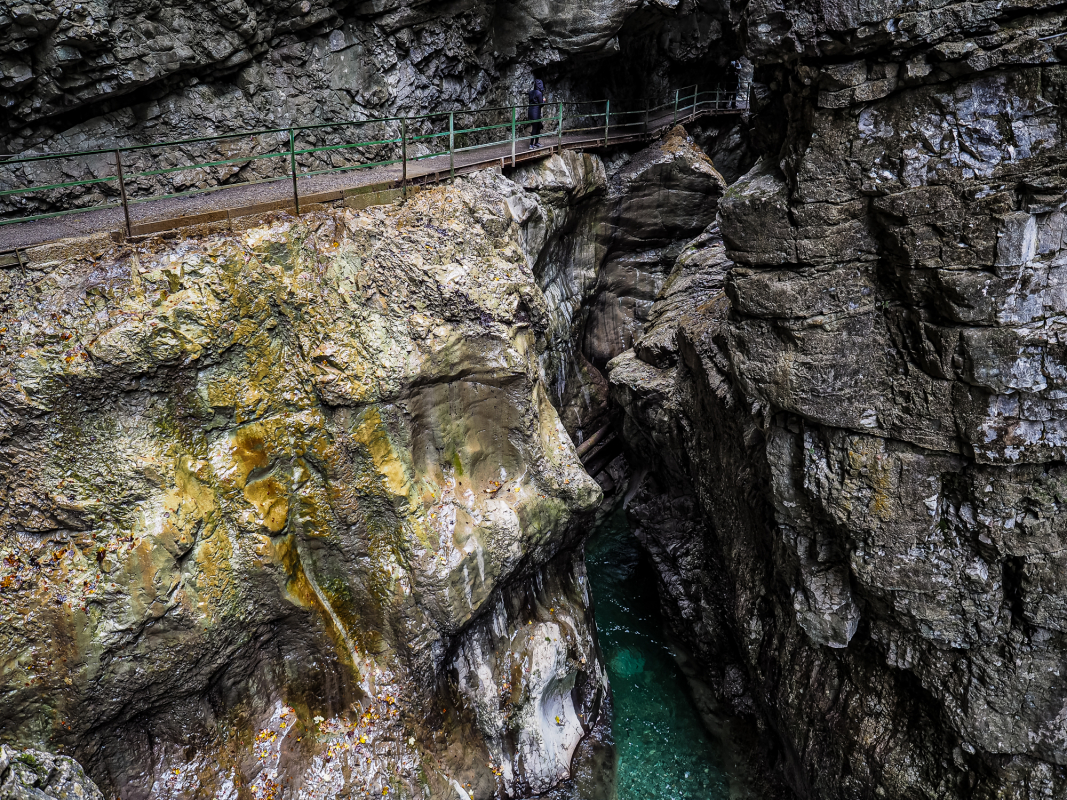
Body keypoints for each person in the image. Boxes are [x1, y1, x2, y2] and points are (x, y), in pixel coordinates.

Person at [527, 78, 544, 148]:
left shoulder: (530, 92)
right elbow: (541, 104)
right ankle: (531, 144)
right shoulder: (539, 93)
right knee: (535, 128)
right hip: (536, 112)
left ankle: (536, 142)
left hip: (530, 111)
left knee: (538, 127)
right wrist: (544, 101)